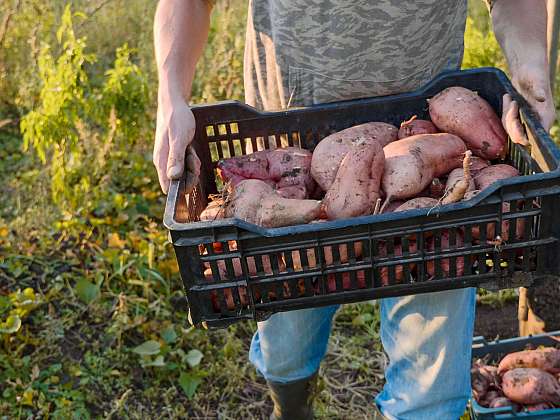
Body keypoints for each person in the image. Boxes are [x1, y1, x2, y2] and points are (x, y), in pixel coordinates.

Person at [152, 1, 556, 418]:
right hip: (289, 149)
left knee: (429, 394)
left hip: (429, 141)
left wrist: (530, 64)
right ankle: (291, 408)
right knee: (286, 349)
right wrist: (170, 97)